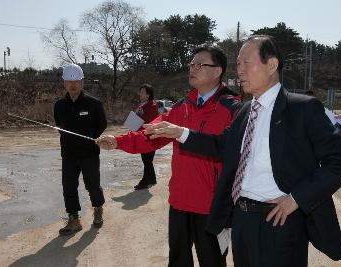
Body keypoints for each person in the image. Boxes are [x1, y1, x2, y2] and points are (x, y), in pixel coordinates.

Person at [144, 35, 341, 267]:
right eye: (238, 64)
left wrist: (297, 199)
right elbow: (222, 146)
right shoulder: (245, 111)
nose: (239, 70)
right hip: (242, 219)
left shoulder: (302, 108)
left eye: (246, 62)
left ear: (271, 65)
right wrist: (181, 133)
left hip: (279, 220)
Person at [97, 46, 241, 267]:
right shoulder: (183, 106)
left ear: (217, 71)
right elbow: (150, 134)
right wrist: (118, 141)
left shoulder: (233, 109)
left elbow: (235, 155)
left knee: (212, 261)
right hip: (180, 201)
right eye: (191, 64)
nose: (192, 69)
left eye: (200, 65)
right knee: (178, 260)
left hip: (212, 207)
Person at [54, 63, 107, 235]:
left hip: (89, 153)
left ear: (82, 82)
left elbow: (102, 123)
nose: (73, 84)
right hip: (68, 155)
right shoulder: (59, 105)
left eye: (76, 81)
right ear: (64, 83)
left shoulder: (94, 104)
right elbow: (59, 123)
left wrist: (92, 137)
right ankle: (73, 219)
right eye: (69, 81)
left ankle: (98, 208)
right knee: (68, 187)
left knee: (93, 185)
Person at [134, 84, 159, 190]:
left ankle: (144, 181)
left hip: (150, 137)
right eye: (140, 91)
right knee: (147, 160)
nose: (140, 94)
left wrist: (139, 116)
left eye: (143, 92)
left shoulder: (152, 105)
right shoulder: (142, 105)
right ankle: (152, 178)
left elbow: (150, 121)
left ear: (148, 95)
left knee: (146, 160)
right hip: (143, 136)